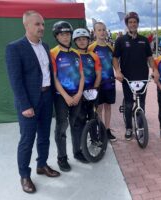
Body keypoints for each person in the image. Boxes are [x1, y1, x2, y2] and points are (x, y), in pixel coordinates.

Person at [5, 10, 60, 193]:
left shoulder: (44, 46)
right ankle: (25, 175)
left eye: (43, 24)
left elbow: (47, 74)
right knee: (27, 139)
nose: (41, 27)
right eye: (37, 24)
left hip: (46, 98)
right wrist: (25, 105)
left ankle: (42, 165)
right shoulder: (15, 48)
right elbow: (15, 80)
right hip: (29, 102)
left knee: (44, 135)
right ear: (26, 25)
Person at [113, 11, 159, 140]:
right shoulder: (120, 40)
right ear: (127, 24)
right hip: (127, 78)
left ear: (137, 24)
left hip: (142, 77)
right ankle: (128, 127)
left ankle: (140, 126)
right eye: (130, 22)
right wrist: (117, 71)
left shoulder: (144, 40)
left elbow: (150, 58)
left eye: (135, 22)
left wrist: (154, 70)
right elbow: (115, 58)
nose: (132, 24)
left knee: (141, 104)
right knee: (128, 104)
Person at [50, 21, 86, 171]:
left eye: (67, 34)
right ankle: (62, 158)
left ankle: (77, 152)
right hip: (61, 97)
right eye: (61, 34)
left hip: (77, 95)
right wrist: (66, 96)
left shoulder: (76, 53)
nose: (65, 37)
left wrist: (78, 94)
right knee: (61, 127)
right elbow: (54, 77)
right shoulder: (53, 53)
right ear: (57, 36)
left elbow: (82, 75)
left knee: (76, 124)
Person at [72, 27, 103, 155]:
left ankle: (95, 139)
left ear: (88, 40)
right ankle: (80, 145)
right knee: (80, 119)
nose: (82, 42)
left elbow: (98, 73)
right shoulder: (73, 55)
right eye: (79, 40)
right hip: (78, 93)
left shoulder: (93, 56)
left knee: (93, 116)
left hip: (92, 91)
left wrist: (94, 89)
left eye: (84, 39)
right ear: (75, 41)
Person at [88, 22, 117, 142]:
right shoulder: (91, 48)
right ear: (94, 32)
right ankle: (100, 129)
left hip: (109, 82)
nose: (102, 32)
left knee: (108, 107)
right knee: (99, 108)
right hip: (97, 84)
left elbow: (115, 63)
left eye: (103, 30)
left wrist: (118, 72)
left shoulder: (111, 47)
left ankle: (107, 129)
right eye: (99, 30)